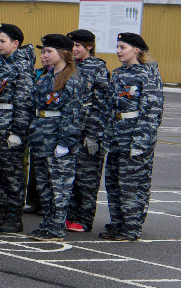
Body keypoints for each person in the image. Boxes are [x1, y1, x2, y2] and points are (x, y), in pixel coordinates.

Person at [101, 32, 163, 241]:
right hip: (117, 138)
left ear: (136, 50)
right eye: (117, 47)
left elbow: (152, 111)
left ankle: (132, 228)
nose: (118, 51)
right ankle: (117, 224)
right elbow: (110, 108)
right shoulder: (118, 74)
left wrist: (140, 142)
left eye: (122, 47)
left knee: (133, 186)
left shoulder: (147, 74)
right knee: (114, 183)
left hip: (134, 139)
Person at [28, 33, 87, 240]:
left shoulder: (72, 78)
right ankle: (48, 222)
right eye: (43, 51)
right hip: (41, 138)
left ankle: (57, 226)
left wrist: (65, 142)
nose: (44, 55)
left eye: (48, 51)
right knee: (44, 185)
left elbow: (73, 114)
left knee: (60, 185)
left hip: (57, 140)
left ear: (62, 53)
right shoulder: (45, 77)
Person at [0, 24, 34, 233]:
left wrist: (17, 132)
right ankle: (1, 212)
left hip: (10, 129)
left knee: (13, 175)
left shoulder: (22, 66)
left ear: (16, 43)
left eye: (2, 41)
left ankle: (15, 216)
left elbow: (24, 102)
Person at [67, 29, 111, 233]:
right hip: (71, 131)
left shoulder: (97, 67)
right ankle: (71, 215)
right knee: (71, 177)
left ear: (89, 47)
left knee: (87, 180)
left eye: (78, 46)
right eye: (72, 46)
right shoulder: (69, 66)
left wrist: (94, 134)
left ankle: (84, 220)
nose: (73, 49)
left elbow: (101, 105)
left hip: (88, 135)